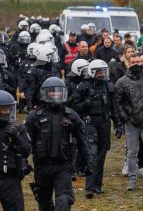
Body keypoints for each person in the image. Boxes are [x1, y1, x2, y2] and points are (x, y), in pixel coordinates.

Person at [25, 77, 94, 211]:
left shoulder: (71, 115)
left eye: (58, 92)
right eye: (52, 92)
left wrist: (88, 162)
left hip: (63, 166)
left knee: (64, 199)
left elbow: (82, 140)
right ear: (45, 93)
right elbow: (25, 142)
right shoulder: (34, 116)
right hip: (42, 166)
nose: (55, 95)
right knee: (44, 202)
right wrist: (22, 162)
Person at [72, 59, 123, 198]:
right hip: (90, 123)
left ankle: (97, 186)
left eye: (104, 72)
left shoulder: (109, 87)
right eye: (100, 72)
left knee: (101, 155)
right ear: (93, 72)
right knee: (92, 154)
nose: (102, 74)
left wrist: (118, 124)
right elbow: (75, 106)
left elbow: (114, 108)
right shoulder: (83, 86)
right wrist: (87, 103)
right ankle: (89, 187)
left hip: (105, 123)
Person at [115, 53, 143, 191]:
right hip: (131, 123)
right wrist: (126, 118)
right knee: (132, 152)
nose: (137, 64)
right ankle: (132, 181)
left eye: (139, 61)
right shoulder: (121, 82)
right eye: (133, 62)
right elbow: (117, 102)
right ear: (128, 63)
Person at [0, 90, 31, 211]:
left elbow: (27, 151)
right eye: (3, 109)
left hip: (11, 178)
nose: (7, 112)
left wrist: (16, 137)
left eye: (9, 108)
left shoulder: (18, 127)